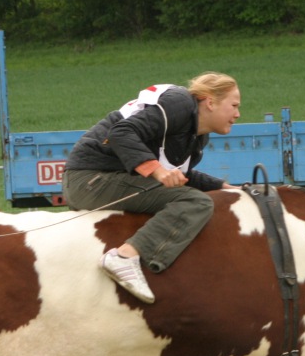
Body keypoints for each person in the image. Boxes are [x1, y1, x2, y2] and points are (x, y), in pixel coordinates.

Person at [61, 73, 241, 303]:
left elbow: (179, 176)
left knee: (195, 197)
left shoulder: (197, 137)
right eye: (234, 105)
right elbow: (121, 133)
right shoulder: (180, 104)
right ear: (210, 102)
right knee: (195, 202)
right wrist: (156, 170)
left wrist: (224, 187)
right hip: (89, 179)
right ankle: (126, 258)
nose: (237, 114)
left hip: (101, 178)